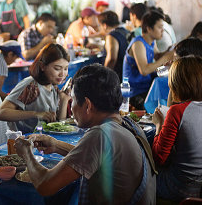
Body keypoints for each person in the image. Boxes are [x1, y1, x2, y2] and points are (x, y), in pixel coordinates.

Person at [14, 64, 156, 204]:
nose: (71, 105)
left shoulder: (100, 134)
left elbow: (45, 185)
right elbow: (96, 159)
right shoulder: (128, 124)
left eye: (73, 99)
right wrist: (56, 145)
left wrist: (27, 153)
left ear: (87, 105)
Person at [152, 56, 202, 202]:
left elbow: (158, 158)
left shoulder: (177, 112)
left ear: (176, 84)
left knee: (143, 172)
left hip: (181, 188)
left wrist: (158, 125)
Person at [0, 43, 71, 133]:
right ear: (43, 66)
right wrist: (36, 114)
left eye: (65, 69)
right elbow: (0, 113)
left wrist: (64, 100)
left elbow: (58, 125)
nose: (62, 74)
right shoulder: (31, 85)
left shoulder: (53, 87)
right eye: (57, 68)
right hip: (24, 142)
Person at [123, 10, 174, 110]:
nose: (162, 30)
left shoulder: (151, 42)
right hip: (135, 92)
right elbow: (144, 70)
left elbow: (157, 56)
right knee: (163, 104)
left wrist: (171, 51)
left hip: (147, 87)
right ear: (149, 29)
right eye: (159, 27)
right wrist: (165, 57)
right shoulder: (138, 44)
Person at [98, 10, 129, 80]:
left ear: (105, 25)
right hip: (125, 74)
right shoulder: (126, 31)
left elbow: (112, 58)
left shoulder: (112, 36)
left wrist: (105, 76)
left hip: (116, 76)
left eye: (100, 25)